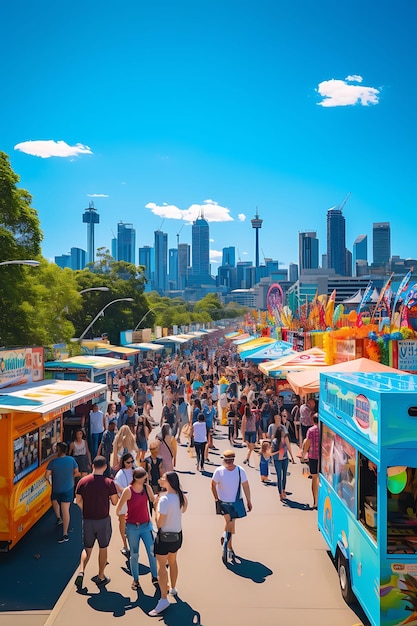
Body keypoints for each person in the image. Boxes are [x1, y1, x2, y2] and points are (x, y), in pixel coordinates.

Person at [74, 456, 118, 589]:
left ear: (93, 466)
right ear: (105, 467)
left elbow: (78, 501)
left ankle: (81, 571)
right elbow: (115, 501)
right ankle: (100, 576)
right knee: (103, 548)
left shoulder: (83, 481)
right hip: (103, 520)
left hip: (87, 520)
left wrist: (85, 509)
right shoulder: (109, 483)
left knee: (87, 548)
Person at [148, 471, 188, 617]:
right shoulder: (180, 497)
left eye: (163, 478)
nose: (160, 480)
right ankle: (173, 588)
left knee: (161, 567)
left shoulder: (164, 500)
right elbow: (184, 509)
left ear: (169, 481)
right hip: (177, 536)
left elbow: (159, 523)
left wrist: (156, 507)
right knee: (173, 561)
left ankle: (163, 599)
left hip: (164, 537)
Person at [116, 467, 158, 591]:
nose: (146, 479)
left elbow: (152, 500)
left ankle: (155, 576)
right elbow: (118, 509)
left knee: (152, 552)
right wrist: (123, 525)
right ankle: (135, 580)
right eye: (144, 478)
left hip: (146, 526)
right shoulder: (128, 491)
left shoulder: (146, 488)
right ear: (136, 478)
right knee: (134, 555)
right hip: (132, 527)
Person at [211, 450, 252, 564]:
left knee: (230, 523)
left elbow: (213, 485)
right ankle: (226, 545)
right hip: (232, 503)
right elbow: (246, 486)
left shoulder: (220, 471)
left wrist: (216, 498)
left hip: (225, 502)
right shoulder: (239, 470)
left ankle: (229, 546)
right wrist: (248, 500)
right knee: (230, 523)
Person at [45, 442, 79, 543]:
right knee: (66, 510)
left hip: (56, 489)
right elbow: (76, 471)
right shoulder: (71, 460)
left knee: (54, 500)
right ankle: (65, 534)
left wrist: (51, 482)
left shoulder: (53, 462)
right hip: (68, 489)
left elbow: (47, 475)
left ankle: (58, 518)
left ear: (58, 450)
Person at [114, 453, 135, 557]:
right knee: (122, 522)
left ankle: (132, 545)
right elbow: (117, 487)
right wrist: (129, 492)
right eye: (128, 462)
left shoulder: (134, 471)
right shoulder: (120, 473)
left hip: (134, 501)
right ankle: (125, 545)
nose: (130, 464)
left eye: (132, 461)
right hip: (124, 501)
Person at [271, 424, 296, 501]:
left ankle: (283, 490)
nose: (283, 433)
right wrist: (279, 451)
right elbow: (272, 452)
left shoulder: (285, 439)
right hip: (277, 460)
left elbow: (288, 447)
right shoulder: (275, 441)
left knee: (284, 475)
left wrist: (292, 457)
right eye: (282, 432)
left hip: (285, 459)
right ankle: (280, 493)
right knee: (279, 476)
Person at [303, 413, 319, 509]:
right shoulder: (324, 429)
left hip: (313, 457)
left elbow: (308, 443)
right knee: (321, 479)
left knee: (314, 478)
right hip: (322, 457)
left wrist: (304, 453)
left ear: (313, 421)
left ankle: (315, 501)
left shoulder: (311, 430)